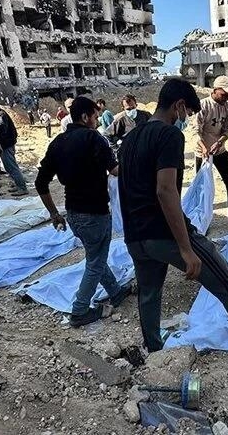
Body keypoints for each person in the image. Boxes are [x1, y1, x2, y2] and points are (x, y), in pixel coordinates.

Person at [117, 78, 228, 362]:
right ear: (179, 106)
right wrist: (185, 247)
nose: (187, 119)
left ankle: (154, 350)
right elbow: (165, 190)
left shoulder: (131, 138)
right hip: (164, 232)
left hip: (135, 235)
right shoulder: (169, 135)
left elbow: (125, 187)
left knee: (149, 293)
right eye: (188, 113)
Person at [35, 96, 131, 326]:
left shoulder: (57, 142)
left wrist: (54, 214)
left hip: (73, 214)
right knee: (96, 262)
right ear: (86, 117)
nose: (98, 121)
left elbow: (41, 182)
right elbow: (116, 170)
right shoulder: (93, 138)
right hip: (95, 213)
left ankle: (115, 292)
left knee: (95, 255)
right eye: (96, 117)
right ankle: (79, 310)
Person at [195, 76, 228, 227]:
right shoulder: (203, 105)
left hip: (219, 150)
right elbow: (196, 131)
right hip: (203, 153)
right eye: (223, 94)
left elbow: (227, 129)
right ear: (215, 90)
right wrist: (205, 147)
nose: (226, 97)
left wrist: (219, 142)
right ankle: (200, 218)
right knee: (202, 188)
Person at [0, 98, 28, 196]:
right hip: (4, 144)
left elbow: (1, 128)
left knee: (12, 167)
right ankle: (18, 184)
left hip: (6, 144)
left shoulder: (0, 115)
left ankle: (22, 188)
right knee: (9, 167)